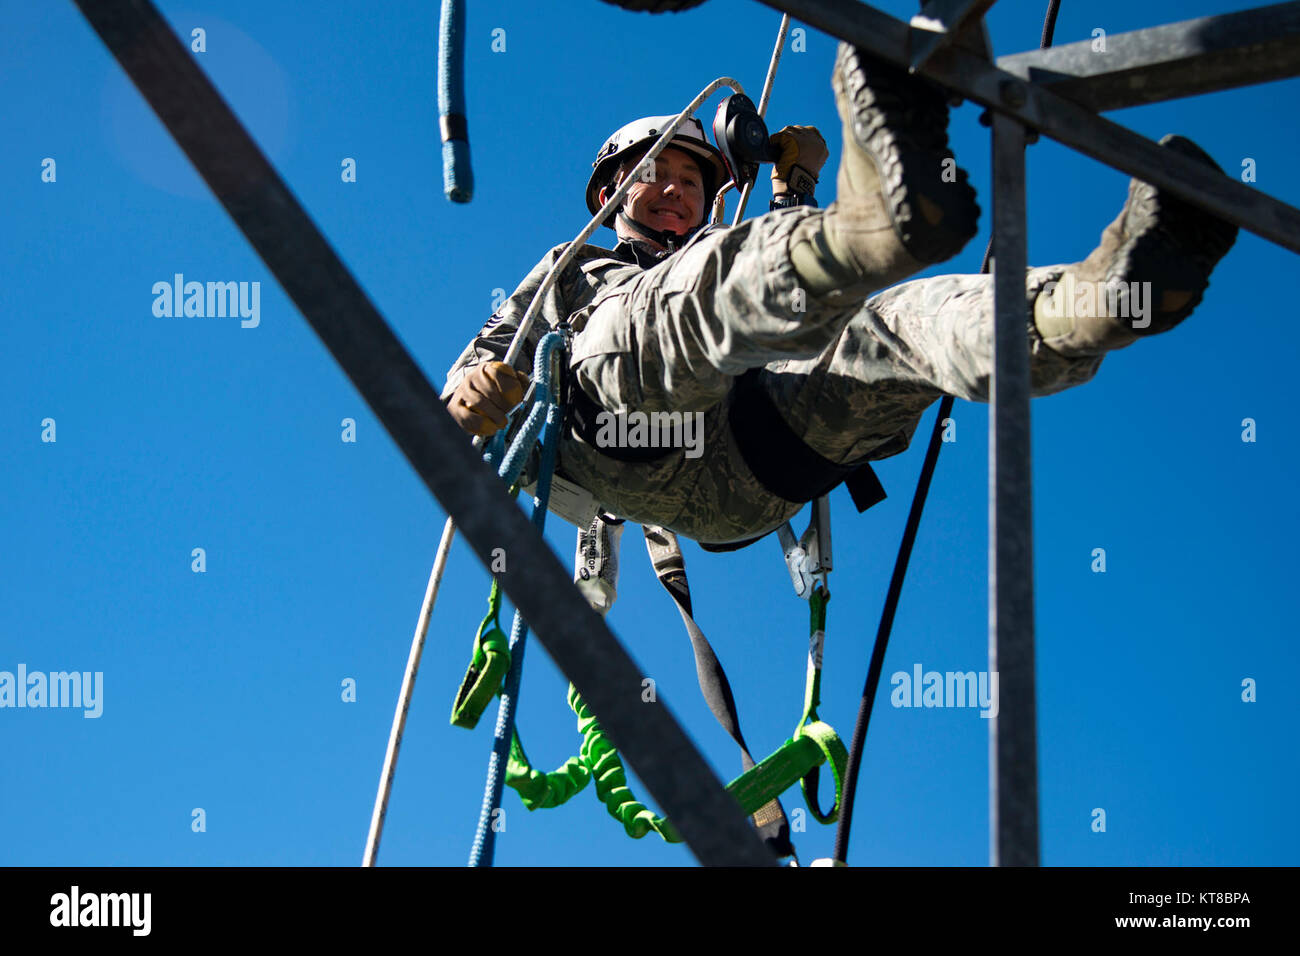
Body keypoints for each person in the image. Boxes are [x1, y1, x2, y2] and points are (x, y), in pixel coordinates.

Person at [441, 44, 1238, 548]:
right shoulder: (573, 270)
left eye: (693, 180)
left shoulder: (719, 257)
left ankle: (1099, 303)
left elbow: (775, 293)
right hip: (624, 437)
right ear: (611, 190)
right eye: (657, 173)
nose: (675, 191)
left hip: (758, 462)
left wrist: (799, 179)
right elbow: (466, 382)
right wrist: (469, 395)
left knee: (894, 327)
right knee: (656, 315)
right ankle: (871, 228)